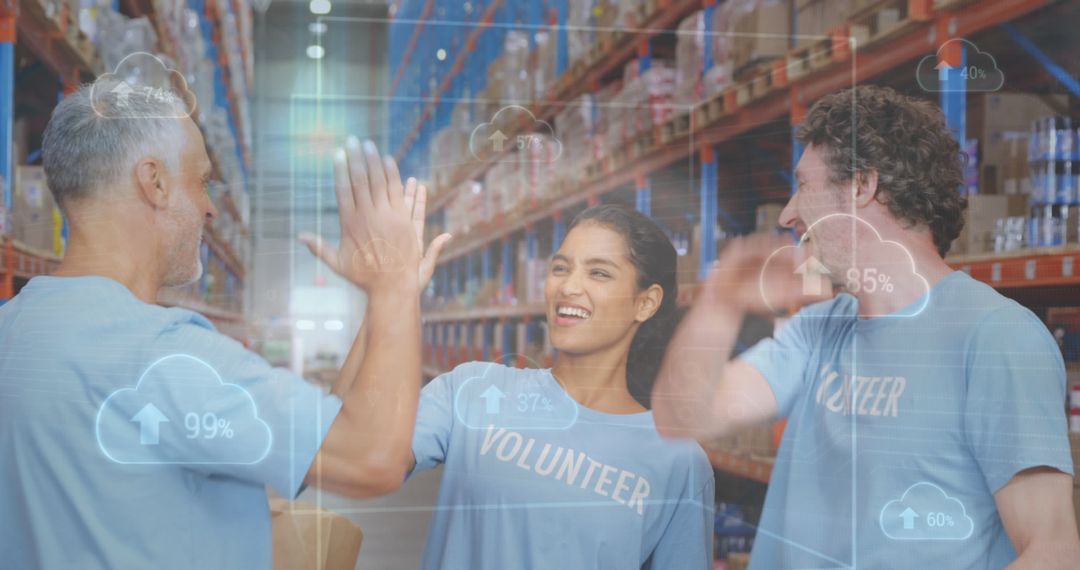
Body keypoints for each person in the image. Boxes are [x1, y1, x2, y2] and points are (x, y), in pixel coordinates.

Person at [0, 79, 449, 568]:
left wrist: (380, 306)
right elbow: (372, 458)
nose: (211, 207)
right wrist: (397, 288)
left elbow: (319, 442)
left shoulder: (15, 328)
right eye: (202, 182)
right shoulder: (168, 358)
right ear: (154, 182)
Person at [652, 85, 1080, 568]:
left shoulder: (997, 337)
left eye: (804, 186)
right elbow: (682, 417)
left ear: (861, 185)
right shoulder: (816, 331)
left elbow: (1053, 551)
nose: (790, 214)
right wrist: (721, 301)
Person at [311, 204, 715, 568]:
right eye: (561, 267)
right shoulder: (472, 391)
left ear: (646, 302)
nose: (569, 286)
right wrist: (389, 298)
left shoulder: (677, 460)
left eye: (598, 272)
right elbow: (340, 451)